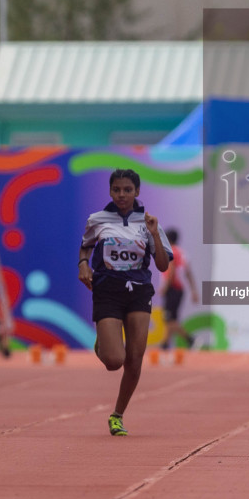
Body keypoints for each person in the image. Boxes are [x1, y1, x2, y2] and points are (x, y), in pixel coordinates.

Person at [79, 168, 172, 436]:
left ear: (137, 192)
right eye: (117, 190)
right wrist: (83, 263)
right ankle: (104, 343)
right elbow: (85, 244)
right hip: (107, 290)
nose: (122, 195)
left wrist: (153, 234)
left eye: (127, 190)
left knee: (134, 359)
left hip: (139, 291)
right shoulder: (97, 219)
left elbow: (163, 266)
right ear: (110, 191)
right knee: (114, 361)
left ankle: (117, 414)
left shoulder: (150, 222)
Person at [159, 228, 199, 350]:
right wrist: (194, 290)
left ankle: (190, 340)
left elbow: (171, 271)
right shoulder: (182, 253)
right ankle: (165, 345)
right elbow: (188, 273)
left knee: (169, 318)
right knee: (171, 318)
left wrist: (165, 287)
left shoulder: (170, 252)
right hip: (180, 289)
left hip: (172, 287)